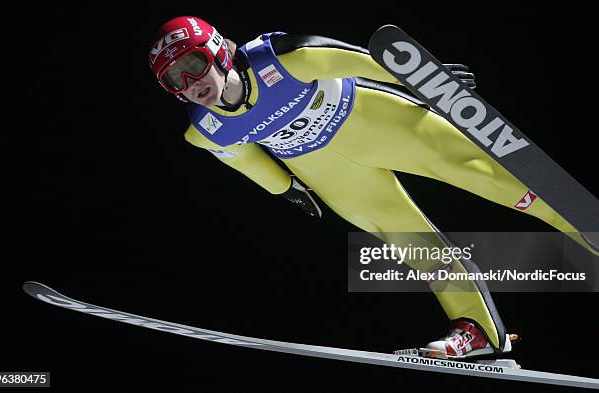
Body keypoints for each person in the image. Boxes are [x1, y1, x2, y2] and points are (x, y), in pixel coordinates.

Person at [147, 16, 592, 359]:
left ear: (220, 50)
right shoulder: (205, 131)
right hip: (332, 172)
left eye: (193, 65)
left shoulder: (287, 57)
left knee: (499, 181)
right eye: (174, 80)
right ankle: (476, 333)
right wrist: (286, 190)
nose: (191, 84)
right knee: (414, 246)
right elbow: (248, 162)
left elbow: (368, 60)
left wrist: (428, 81)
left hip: (380, 124)